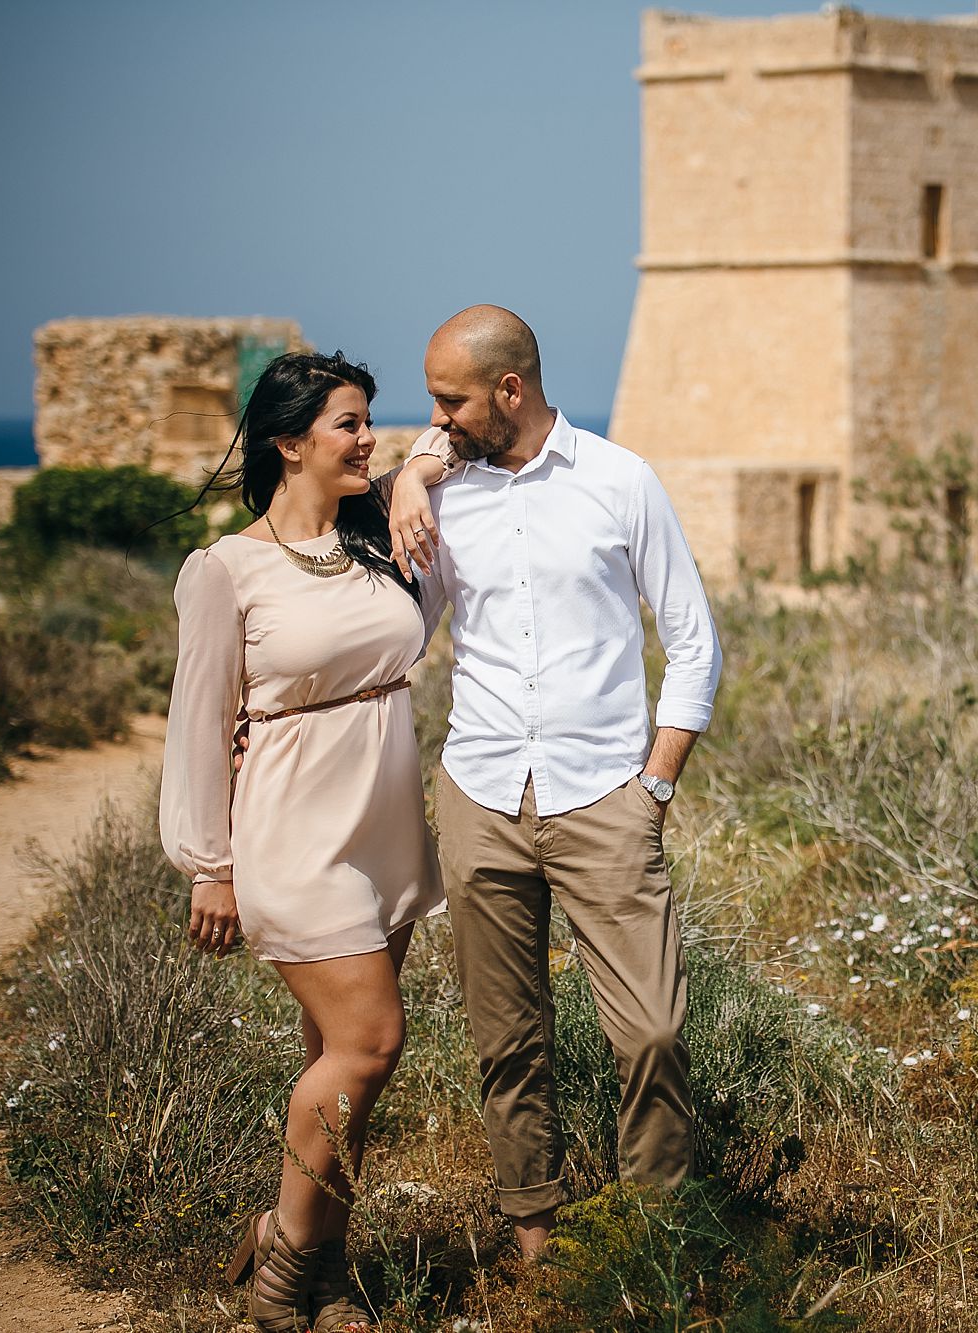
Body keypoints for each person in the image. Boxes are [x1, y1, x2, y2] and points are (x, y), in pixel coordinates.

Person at [383, 305, 722, 1260]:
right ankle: (535, 1245)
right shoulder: (443, 493)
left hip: (607, 794)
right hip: (482, 791)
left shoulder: (622, 481)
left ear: (510, 391)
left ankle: (653, 1244)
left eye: (449, 401)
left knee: (652, 1031)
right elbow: (407, 635)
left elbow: (692, 641)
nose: (436, 419)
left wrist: (654, 786)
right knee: (507, 1039)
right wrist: (411, 476)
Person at [159, 351, 446, 1333]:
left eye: (370, 421)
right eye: (348, 424)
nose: (367, 437)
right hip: (293, 830)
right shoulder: (226, 569)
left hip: (385, 824)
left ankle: (321, 1272)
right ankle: (283, 1278)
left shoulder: (378, 540)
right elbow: (199, 720)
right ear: (288, 441)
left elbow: (452, 446)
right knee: (369, 1043)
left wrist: (411, 470)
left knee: (350, 1064)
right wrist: (211, 864)